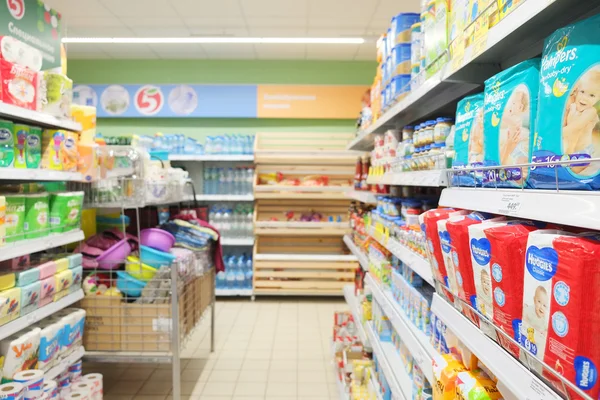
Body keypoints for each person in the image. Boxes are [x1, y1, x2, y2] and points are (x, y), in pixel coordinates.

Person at [563, 67, 600, 174]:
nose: (584, 98)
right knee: (561, 168)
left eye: (592, 95)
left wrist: (556, 134)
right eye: (582, 92)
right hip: (568, 147)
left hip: (583, 151)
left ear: (598, 98)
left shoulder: (591, 112)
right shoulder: (573, 106)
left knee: (572, 171)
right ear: (577, 91)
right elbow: (564, 122)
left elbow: (576, 127)